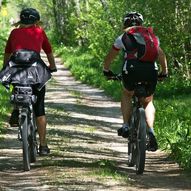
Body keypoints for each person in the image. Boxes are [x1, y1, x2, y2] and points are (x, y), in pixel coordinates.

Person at [103, 12, 168, 151]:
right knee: (148, 101)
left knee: (127, 93)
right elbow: (161, 54)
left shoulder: (123, 37)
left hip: (131, 71)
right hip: (151, 71)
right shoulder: (151, 36)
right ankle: (150, 131)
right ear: (141, 24)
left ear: (125, 24)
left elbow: (110, 57)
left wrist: (106, 70)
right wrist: (164, 72)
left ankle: (126, 125)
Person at [3, 8, 57, 155]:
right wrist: (52, 67)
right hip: (35, 72)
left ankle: (15, 109)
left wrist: (4, 68)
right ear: (36, 21)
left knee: (17, 86)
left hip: (17, 70)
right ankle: (43, 145)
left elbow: (8, 53)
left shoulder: (14, 33)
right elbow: (49, 51)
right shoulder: (39, 32)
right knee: (40, 108)